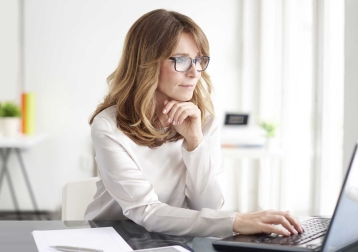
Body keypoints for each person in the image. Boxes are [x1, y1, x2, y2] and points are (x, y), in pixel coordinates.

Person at [84, 9, 304, 238]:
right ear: (146, 63)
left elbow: (207, 207)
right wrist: (236, 220)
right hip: (110, 237)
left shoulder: (204, 121)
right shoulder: (109, 127)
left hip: (171, 238)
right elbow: (145, 211)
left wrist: (195, 142)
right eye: (181, 60)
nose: (195, 72)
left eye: (199, 60)